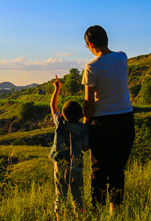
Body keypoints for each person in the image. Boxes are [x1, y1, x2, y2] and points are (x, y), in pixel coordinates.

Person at [81, 25, 135, 215]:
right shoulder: (122, 57)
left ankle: (97, 211)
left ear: (91, 44)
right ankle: (115, 211)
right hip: (126, 119)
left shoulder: (91, 67)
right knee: (117, 169)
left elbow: (88, 103)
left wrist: (85, 127)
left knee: (98, 170)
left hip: (102, 123)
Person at [49, 75, 89, 220]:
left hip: (61, 164)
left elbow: (53, 107)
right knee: (78, 197)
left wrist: (57, 89)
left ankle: (60, 218)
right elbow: (85, 148)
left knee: (60, 194)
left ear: (63, 114)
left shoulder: (60, 123)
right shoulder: (84, 129)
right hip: (77, 165)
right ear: (80, 115)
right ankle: (80, 217)